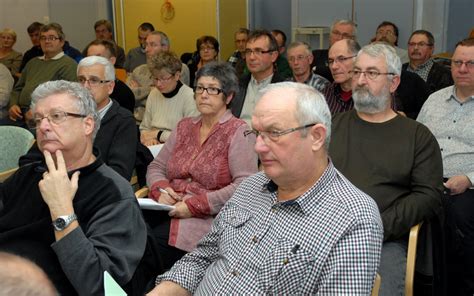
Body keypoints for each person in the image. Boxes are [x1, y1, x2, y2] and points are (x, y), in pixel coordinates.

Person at [147, 81, 384, 295]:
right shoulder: (251, 186)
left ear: (316, 137)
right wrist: (163, 291)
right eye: (257, 133)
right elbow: (203, 257)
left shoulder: (353, 218)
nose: (258, 147)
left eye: (274, 133)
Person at [0, 80, 146, 294]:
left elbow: (98, 285)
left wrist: (62, 210)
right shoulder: (29, 174)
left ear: (87, 125)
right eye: (38, 119)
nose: (43, 126)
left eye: (56, 116)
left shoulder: (114, 194)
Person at [329, 43, 443, 295]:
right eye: (357, 72)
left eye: (371, 73)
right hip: (325, 231)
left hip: (383, 238)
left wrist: (376, 227)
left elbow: (428, 195)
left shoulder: (417, 136)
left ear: (393, 83)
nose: (360, 80)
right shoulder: (332, 127)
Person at [145, 62, 258, 270]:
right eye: (200, 88)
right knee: (127, 235)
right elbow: (156, 166)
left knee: (146, 249)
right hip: (164, 206)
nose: (204, 94)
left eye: (213, 89)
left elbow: (245, 185)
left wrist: (196, 205)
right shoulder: (185, 126)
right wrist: (161, 189)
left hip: (205, 218)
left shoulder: (239, 132)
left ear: (229, 97)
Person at [417, 38, 474, 295]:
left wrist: (469, 179)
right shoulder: (434, 100)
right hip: (426, 180)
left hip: (466, 186)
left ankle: (461, 288)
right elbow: (415, 141)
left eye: (471, 63)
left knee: (457, 217)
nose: (462, 69)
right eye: (457, 63)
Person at [6, 23, 77, 127]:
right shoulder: (32, 63)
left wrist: (38, 110)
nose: (47, 41)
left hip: (46, 117)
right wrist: (13, 105)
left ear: (61, 42)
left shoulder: (69, 65)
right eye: (43, 38)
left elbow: (68, 98)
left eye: (52, 38)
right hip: (19, 113)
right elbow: (18, 88)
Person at [127, 30, 190, 122]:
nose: (146, 49)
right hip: (137, 123)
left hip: (166, 122)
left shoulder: (180, 68)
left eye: (152, 45)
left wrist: (139, 91)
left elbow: (170, 98)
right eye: (146, 45)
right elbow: (128, 97)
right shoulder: (138, 70)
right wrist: (150, 90)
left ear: (165, 47)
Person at [139, 51, 198, 146]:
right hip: (153, 146)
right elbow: (144, 128)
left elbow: (188, 137)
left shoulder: (190, 97)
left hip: (178, 149)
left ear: (177, 76)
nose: (158, 84)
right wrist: (148, 140)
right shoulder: (154, 93)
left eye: (163, 79)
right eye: (155, 78)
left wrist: (158, 134)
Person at [231, 29, 285, 126]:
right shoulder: (236, 85)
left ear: (273, 56)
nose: (251, 57)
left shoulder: (285, 89)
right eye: (248, 51)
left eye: (258, 51)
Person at [84, 39, 135, 113]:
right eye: (89, 58)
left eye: (98, 58)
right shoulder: (82, 88)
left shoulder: (124, 94)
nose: (92, 63)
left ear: (112, 61)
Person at [403, 29, 453, 94]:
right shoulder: (399, 69)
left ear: (431, 49)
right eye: (412, 44)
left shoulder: (444, 74)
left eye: (421, 44)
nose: (415, 48)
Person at [323, 38, 360, 114]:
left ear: (358, 59)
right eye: (330, 61)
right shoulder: (326, 94)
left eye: (341, 59)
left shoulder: (370, 93)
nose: (334, 66)